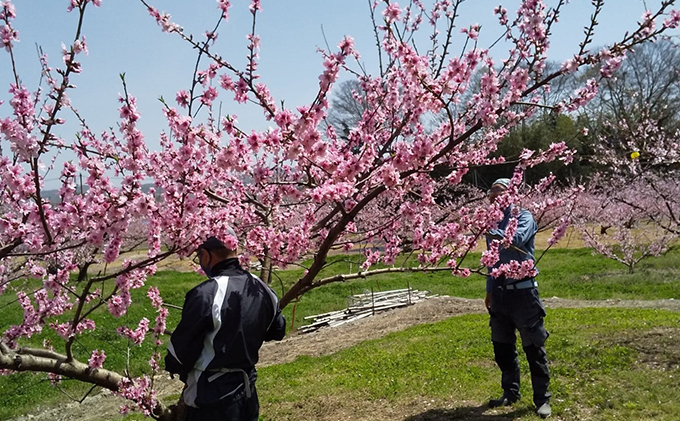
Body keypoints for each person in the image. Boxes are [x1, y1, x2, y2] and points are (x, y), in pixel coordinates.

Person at [165, 231, 286, 421]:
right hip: (248, 393)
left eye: (199, 257)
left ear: (206, 255)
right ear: (235, 249)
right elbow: (278, 330)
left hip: (210, 399)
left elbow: (179, 356)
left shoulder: (206, 293)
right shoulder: (262, 288)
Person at [484, 178, 551, 419]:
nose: (492, 196)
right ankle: (510, 393)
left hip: (523, 293)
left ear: (511, 194)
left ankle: (542, 399)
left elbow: (515, 239)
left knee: (533, 346)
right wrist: (490, 289)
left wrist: (488, 228)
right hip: (500, 293)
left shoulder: (523, 217)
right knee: (502, 346)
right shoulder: (491, 222)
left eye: (498, 191)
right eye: (490, 192)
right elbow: (491, 259)